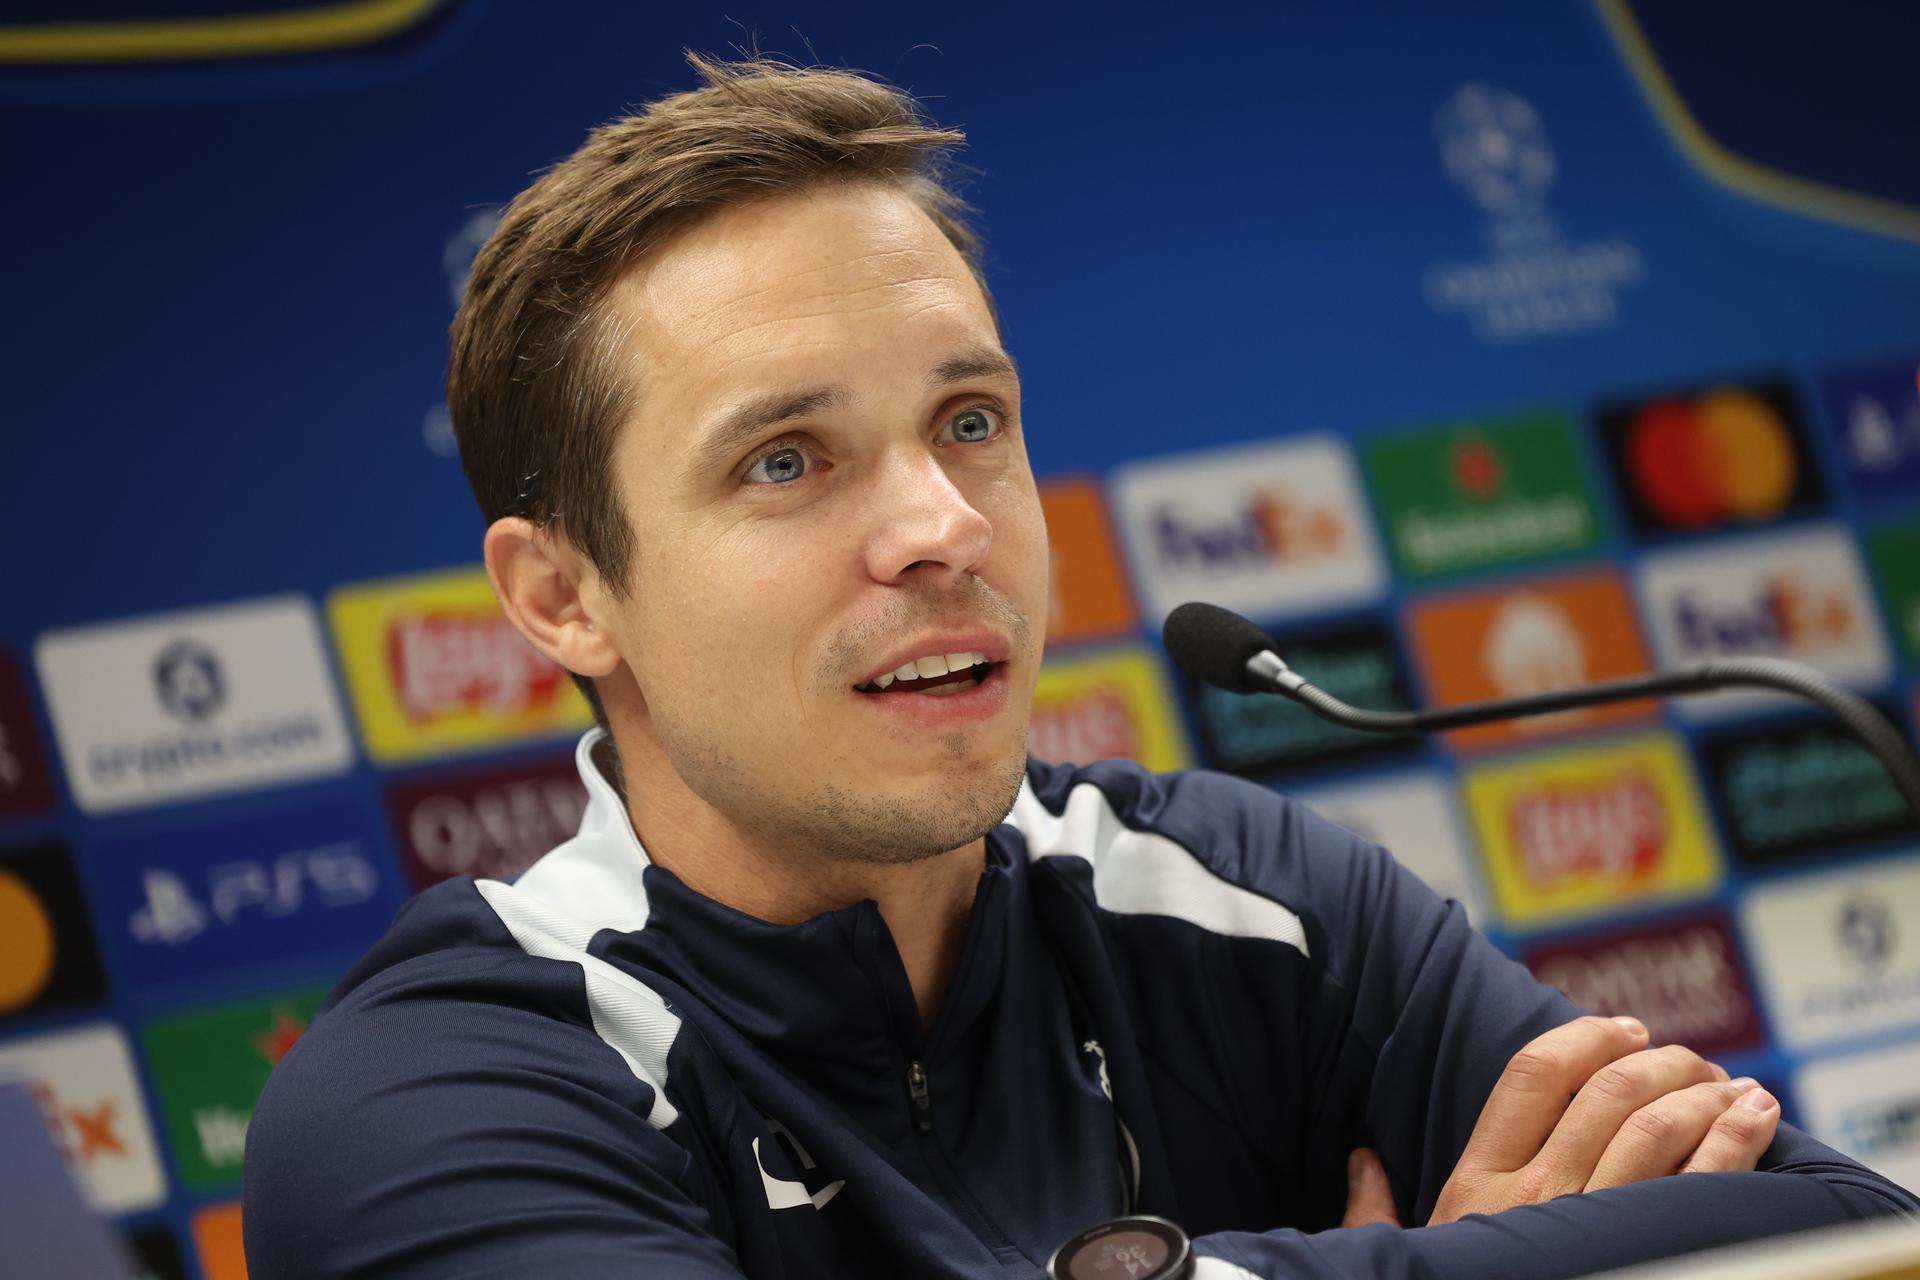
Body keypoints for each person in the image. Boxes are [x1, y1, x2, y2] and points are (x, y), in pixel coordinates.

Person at [243, 53, 1918, 1278]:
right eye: (786, 462)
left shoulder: (1241, 893)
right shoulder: (425, 1097)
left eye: (969, 423)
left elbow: (1849, 1233)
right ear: (561, 598)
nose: (937, 524)